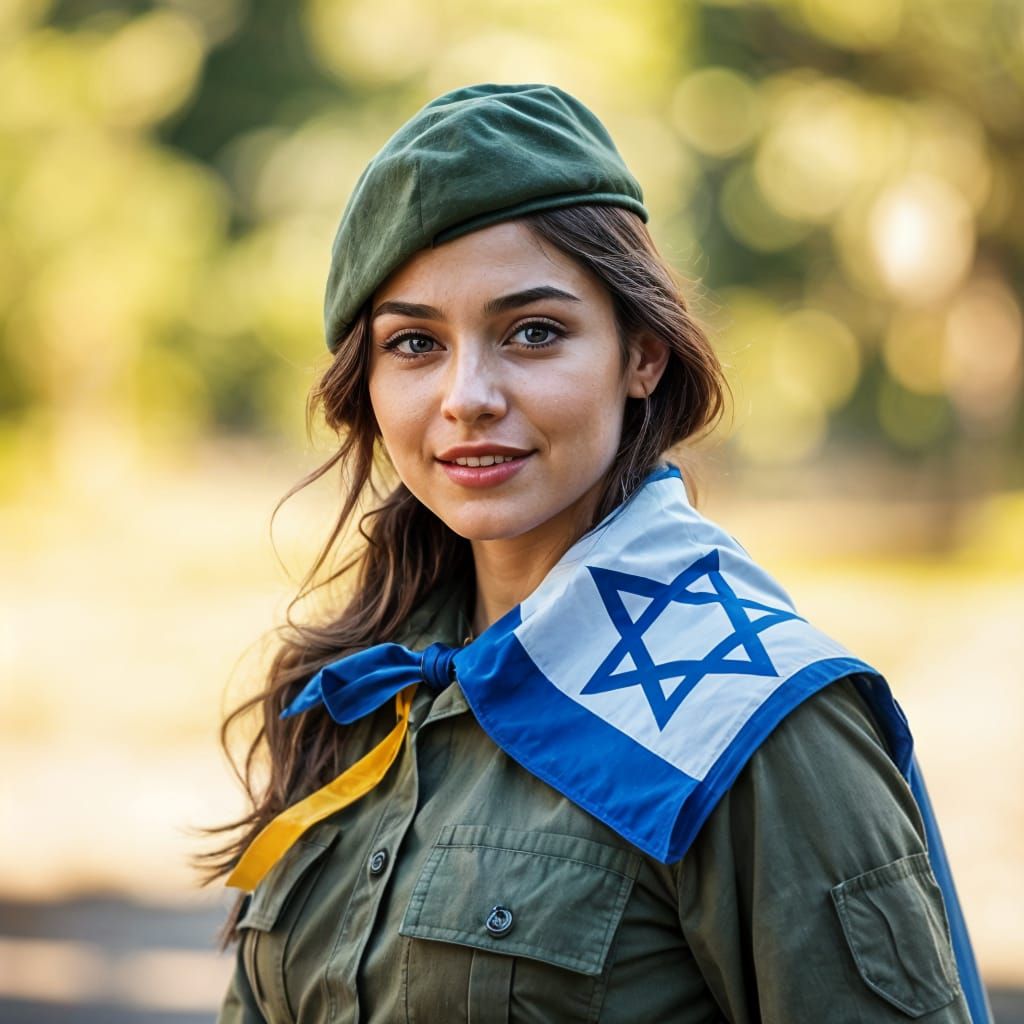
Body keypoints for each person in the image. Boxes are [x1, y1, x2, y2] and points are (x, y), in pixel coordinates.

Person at [202, 83, 989, 1023]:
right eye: (414, 343)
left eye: (533, 333)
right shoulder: (349, 689)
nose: (468, 397)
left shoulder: (751, 720)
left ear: (642, 355)